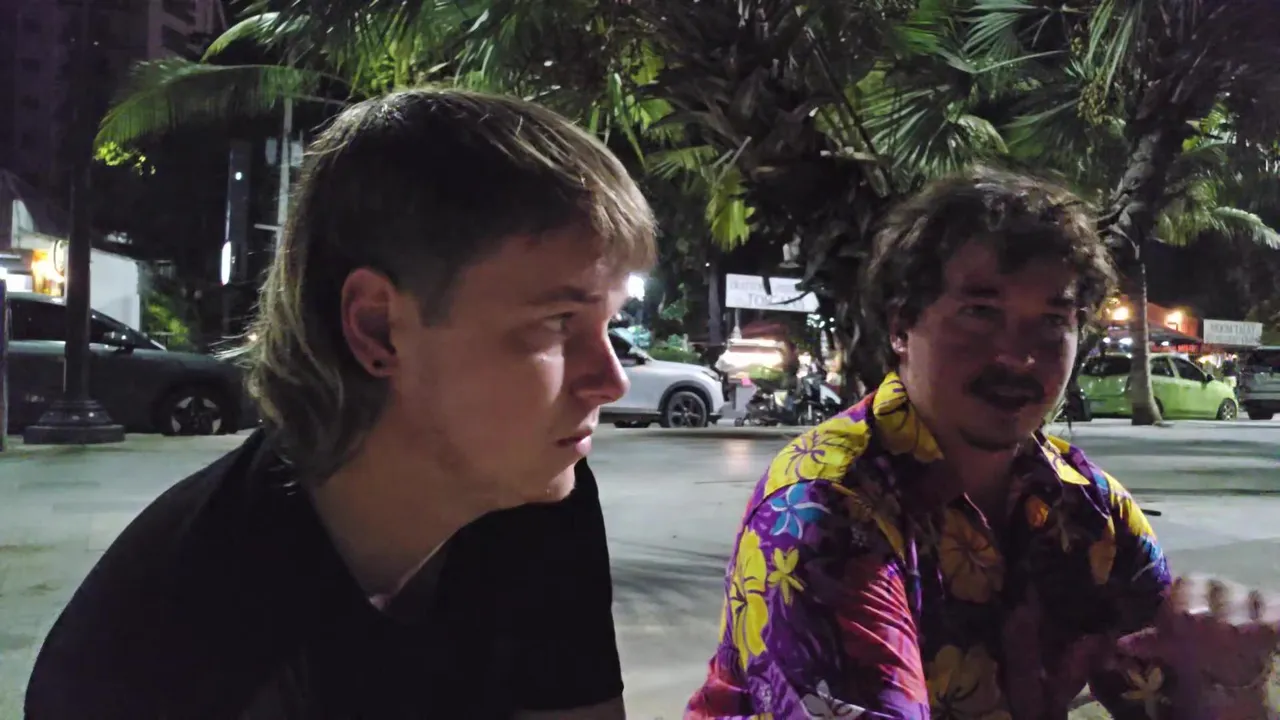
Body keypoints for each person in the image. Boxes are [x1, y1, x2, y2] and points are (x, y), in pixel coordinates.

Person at [26, 89, 655, 719]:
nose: (611, 381)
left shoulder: (533, 499)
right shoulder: (163, 653)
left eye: (609, 322)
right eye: (557, 322)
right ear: (378, 328)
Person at [686, 169, 1278, 719]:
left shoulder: (1089, 510)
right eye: (979, 312)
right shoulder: (824, 507)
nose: (1018, 356)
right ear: (901, 325)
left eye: (1052, 321)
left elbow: (1167, 697)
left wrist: (1231, 678)